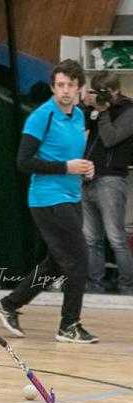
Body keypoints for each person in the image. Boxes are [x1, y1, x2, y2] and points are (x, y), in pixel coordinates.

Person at [0, 59, 99, 343]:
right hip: (47, 198)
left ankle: (9, 304)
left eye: (71, 85)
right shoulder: (42, 116)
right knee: (78, 261)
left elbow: (71, 158)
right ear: (53, 87)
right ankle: (69, 326)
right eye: (60, 85)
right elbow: (24, 162)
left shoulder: (78, 116)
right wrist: (66, 167)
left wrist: (85, 168)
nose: (65, 90)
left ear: (79, 88)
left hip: (71, 195)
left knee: (56, 263)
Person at [82, 71, 133, 295]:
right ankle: (94, 286)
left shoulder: (128, 110)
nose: (101, 96)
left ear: (115, 91)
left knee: (116, 238)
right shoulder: (95, 110)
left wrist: (102, 112)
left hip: (111, 179)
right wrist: (87, 107)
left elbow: (111, 138)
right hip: (87, 178)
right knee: (91, 238)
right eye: (96, 91)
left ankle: (126, 287)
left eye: (104, 92)